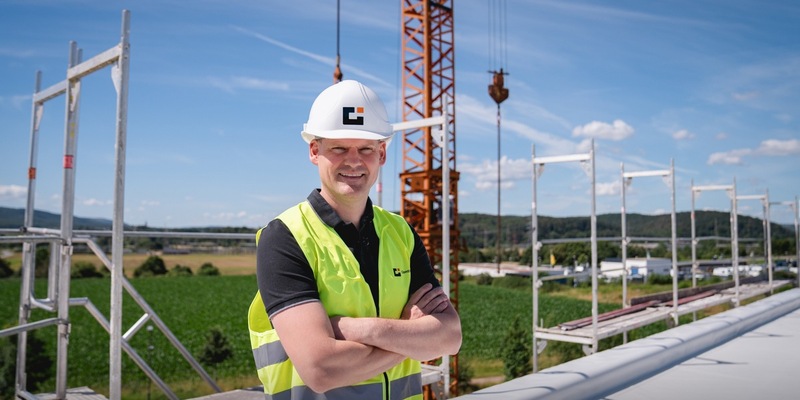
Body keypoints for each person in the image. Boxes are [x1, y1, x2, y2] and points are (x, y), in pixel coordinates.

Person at [248, 80, 462, 399]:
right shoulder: (285, 237)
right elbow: (321, 369)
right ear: (314, 151)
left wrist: (361, 329)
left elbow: (449, 337)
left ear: (382, 154)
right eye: (339, 148)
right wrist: (410, 336)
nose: (354, 161)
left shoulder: (400, 233)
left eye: (365, 149)